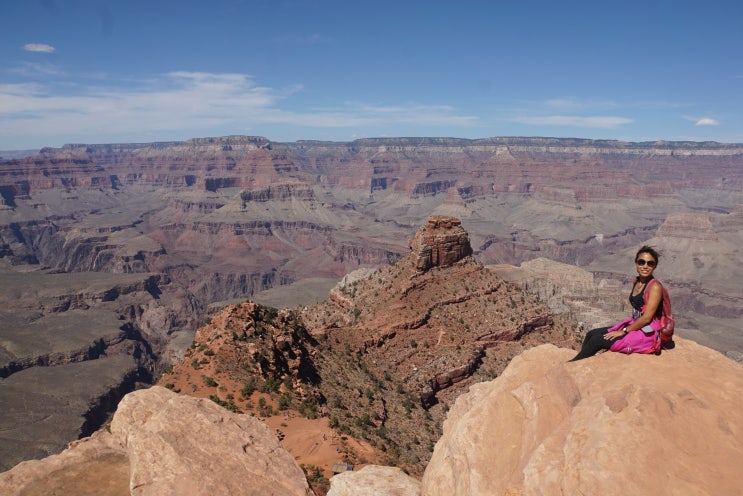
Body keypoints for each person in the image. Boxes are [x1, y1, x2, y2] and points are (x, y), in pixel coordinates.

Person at [570, 246, 663, 361]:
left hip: (646, 333)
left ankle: (573, 364)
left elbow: (647, 318)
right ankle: (583, 361)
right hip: (636, 325)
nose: (645, 266)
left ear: (655, 266)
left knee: (596, 341)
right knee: (591, 334)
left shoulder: (655, 287)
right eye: (641, 262)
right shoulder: (637, 281)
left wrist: (624, 331)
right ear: (636, 264)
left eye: (650, 263)